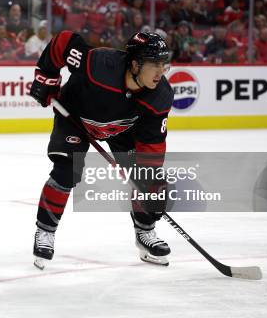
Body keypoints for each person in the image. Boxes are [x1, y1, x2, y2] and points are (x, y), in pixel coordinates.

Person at [28, 31, 173, 269]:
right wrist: (47, 78)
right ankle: (45, 232)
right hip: (74, 118)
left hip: (121, 129)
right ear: (135, 64)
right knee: (65, 172)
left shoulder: (159, 96)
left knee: (146, 178)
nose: (161, 71)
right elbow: (64, 41)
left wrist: (151, 187)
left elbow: (152, 146)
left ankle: (145, 233)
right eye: (154, 64)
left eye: (163, 64)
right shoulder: (99, 64)